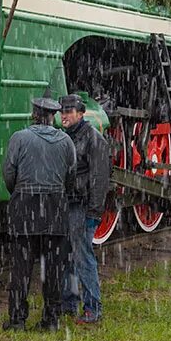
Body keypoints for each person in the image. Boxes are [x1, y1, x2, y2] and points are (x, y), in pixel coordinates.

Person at [2, 96, 76, 332]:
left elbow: (8, 174)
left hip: (25, 206)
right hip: (55, 207)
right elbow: (70, 177)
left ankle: (17, 319)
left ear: (33, 115)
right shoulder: (66, 141)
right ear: (52, 116)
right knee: (53, 267)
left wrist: (21, 193)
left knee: (20, 268)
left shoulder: (19, 138)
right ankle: (51, 319)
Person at [58, 93, 111, 324]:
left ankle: (93, 308)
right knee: (67, 255)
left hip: (82, 205)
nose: (64, 115)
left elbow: (100, 178)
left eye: (69, 112)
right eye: (63, 112)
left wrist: (94, 212)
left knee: (83, 257)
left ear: (81, 114)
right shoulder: (64, 137)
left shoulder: (93, 139)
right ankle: (70, 302)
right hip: (68, 203)